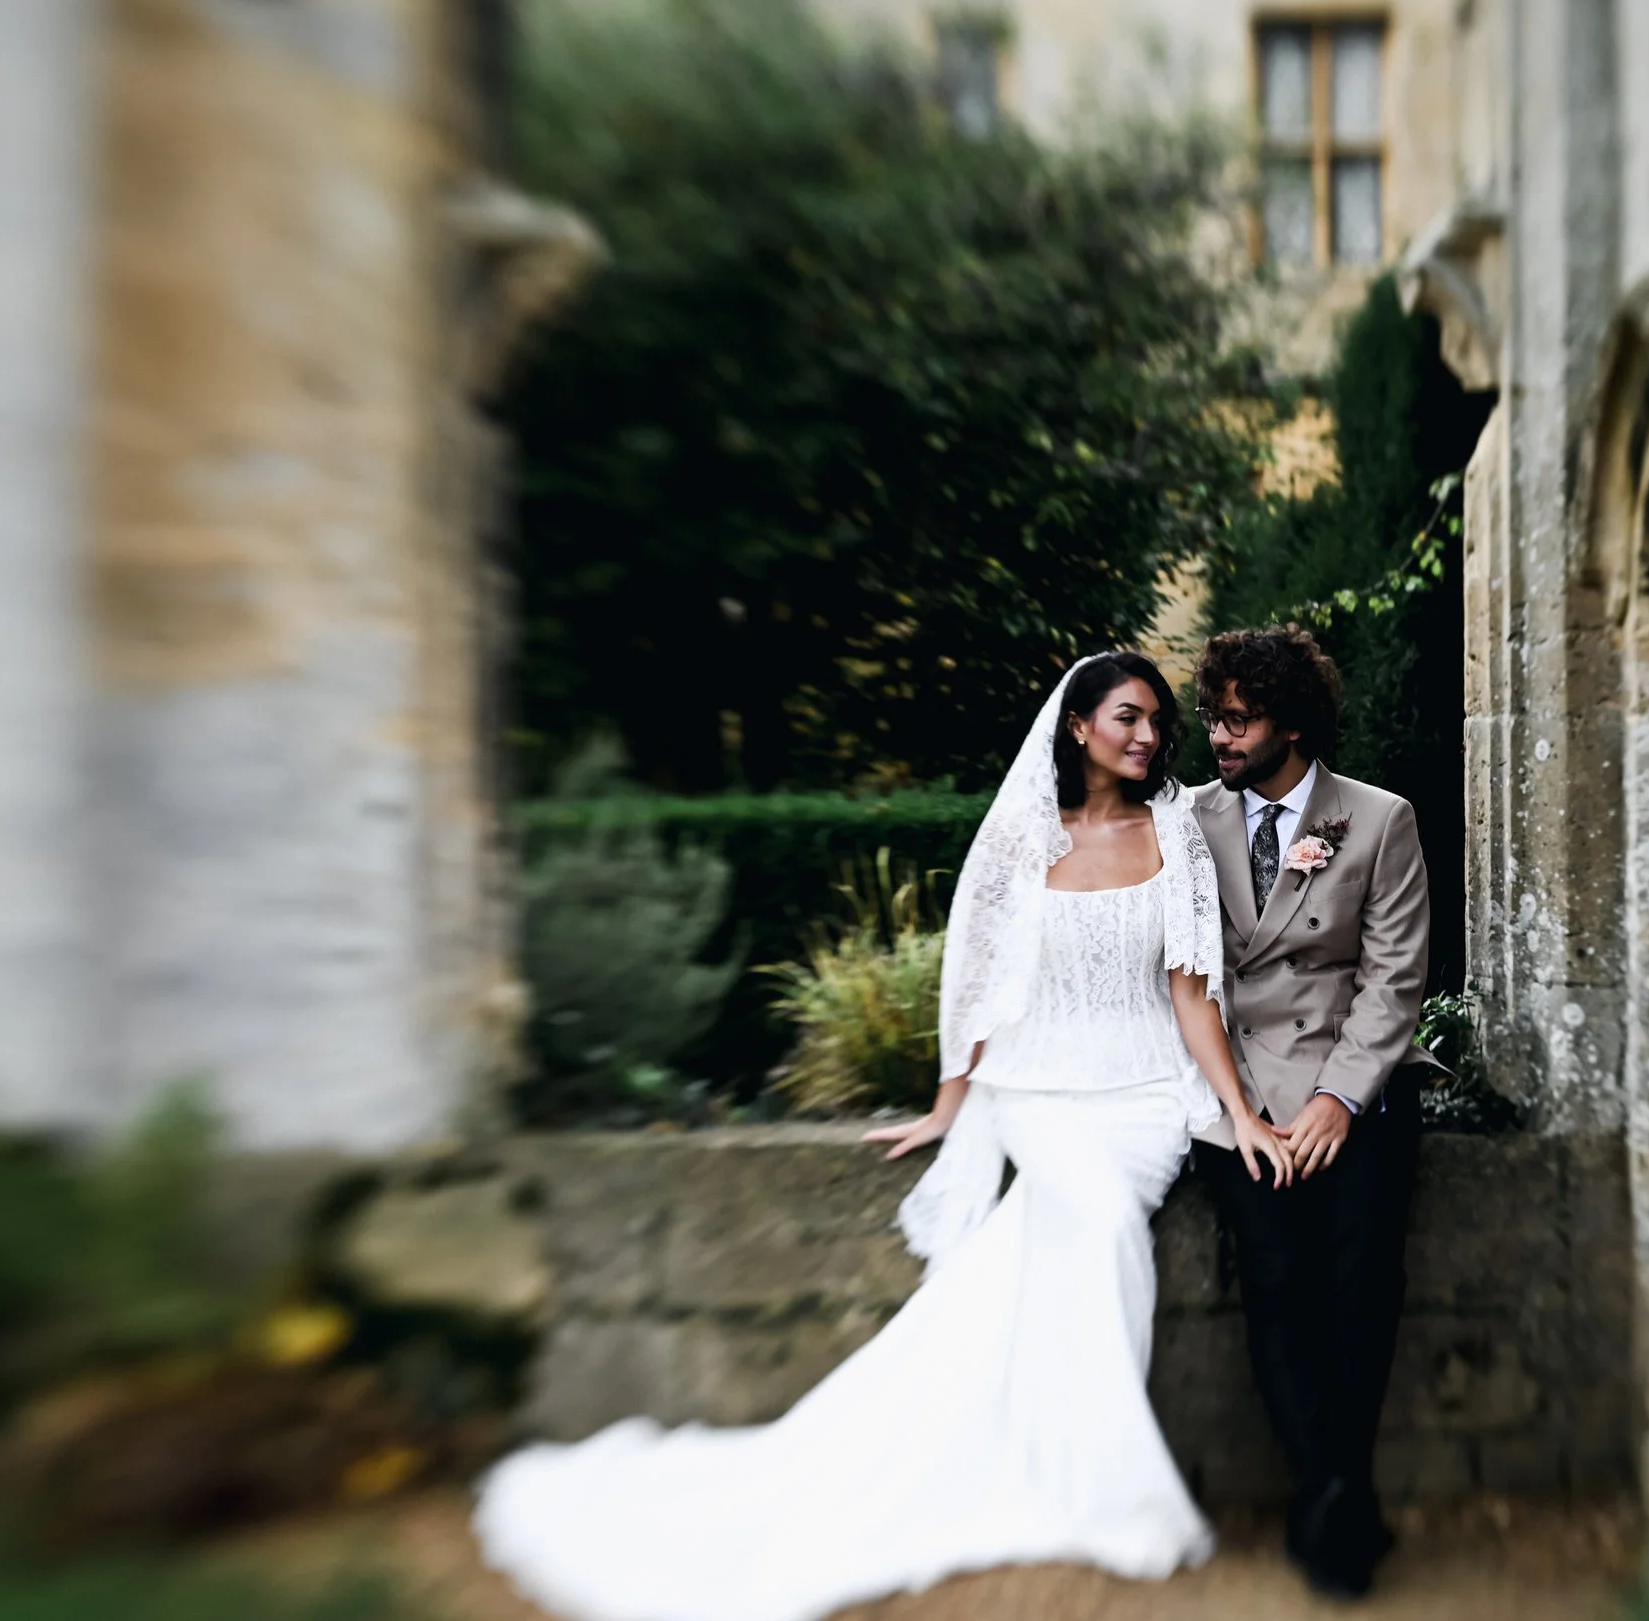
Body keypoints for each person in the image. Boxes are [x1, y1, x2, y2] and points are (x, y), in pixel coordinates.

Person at [473, 651, 1294, 1621]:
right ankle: (1099, 1478)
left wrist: (1238, 1111)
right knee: (1093, 1215)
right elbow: (978, 982)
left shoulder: (1174, 833)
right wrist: (951, 1104)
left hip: (1146, 1090)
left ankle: (1058, 1463)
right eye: (1126, 716)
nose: (1148, 735)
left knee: (1096, 1216)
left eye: (1158, 719)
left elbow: (1191, 990)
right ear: (1076, 727)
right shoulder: (1021, 837)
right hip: (1034, 1083)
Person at [1188, 624, 1432, 1599]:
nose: (1219, 736)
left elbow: (1393, 976)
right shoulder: (1188, 821)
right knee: (1277, 1276)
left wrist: (1338, 1098)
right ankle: (1341, 1497)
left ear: (1293, 720)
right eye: (1211, 715)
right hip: (1239, 1094)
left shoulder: (1378, 820)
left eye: (1237, 718)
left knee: (1361, 1276)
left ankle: (1329, 1497)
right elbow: (1184, 974)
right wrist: (1244, 1107)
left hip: (1354, 1079)